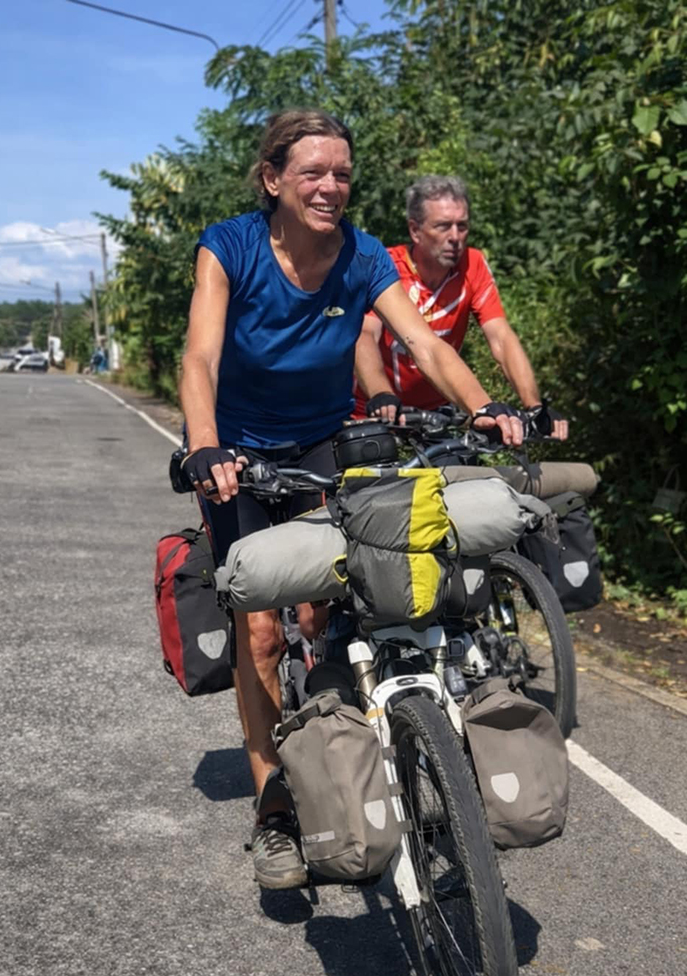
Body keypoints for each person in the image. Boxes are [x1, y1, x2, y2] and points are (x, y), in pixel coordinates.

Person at [179, 110, 525, 891]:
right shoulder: (229, 246)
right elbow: (199, 355)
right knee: (259, 630)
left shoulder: (363, 254)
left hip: (322, 442)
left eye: (341, 172)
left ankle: (348, 754)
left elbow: (425, 342)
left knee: (328, 611)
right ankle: (275, 806)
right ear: (273, 177)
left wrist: (482, 406)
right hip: (237, 452)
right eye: (313, 172)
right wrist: (205, 445)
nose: (330, 186)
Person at [353, 174, 568, 439]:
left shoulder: (472, 264)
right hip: (374, 409)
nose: (455, 237)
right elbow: (365, 335)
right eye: (443, 226)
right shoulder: (387, 265)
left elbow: (501, 337)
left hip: (437, 415)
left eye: (462, 226)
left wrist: (533, 407)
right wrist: (380, 393)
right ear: (415, 230)